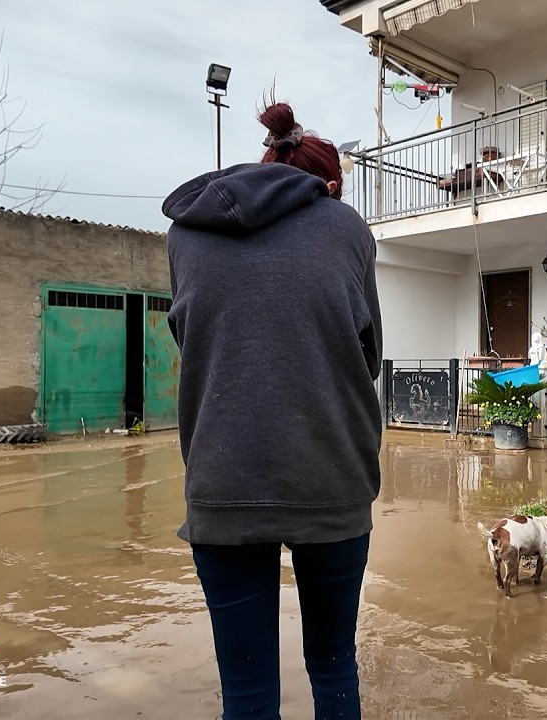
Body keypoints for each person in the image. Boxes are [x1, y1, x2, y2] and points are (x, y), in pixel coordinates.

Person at [162, 99, 383, 720]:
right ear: (326, 185)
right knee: (334, 664)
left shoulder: (185, 232)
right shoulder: (346, 228)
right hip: (331, 472)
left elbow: (196, 342)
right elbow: (367, 356)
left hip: (222, 475)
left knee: (247, 690)